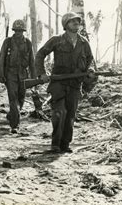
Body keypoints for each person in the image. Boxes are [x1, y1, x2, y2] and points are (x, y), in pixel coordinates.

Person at [35, 12, 95, 153]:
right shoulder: (57, 40)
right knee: (59, 113)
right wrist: (41, 73)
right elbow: (40, 55)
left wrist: (90, 69)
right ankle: (55, 144)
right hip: (58, 83)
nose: (76, 24)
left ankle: (65, 144)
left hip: (75, 84)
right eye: (72, 21)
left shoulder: (83, 42)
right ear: (65, 25)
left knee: (70, 116)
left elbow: (89, 59)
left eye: (77, 22)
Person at [0, 19, 35, 133]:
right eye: (16, 31)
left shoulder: (28, 43)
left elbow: (32, 61)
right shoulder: (8, 42)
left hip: (23, 74)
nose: (18, 33)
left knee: (21, 99)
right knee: (13, 98)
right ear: (14, 30)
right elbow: (1, 58)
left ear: (23, 31)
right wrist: (1, 74)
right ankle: (15, 125)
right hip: (11, 74)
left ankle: (12, 115)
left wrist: (34, 78)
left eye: (20, 31)